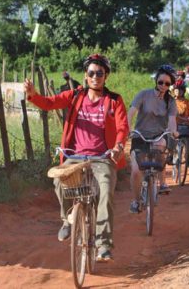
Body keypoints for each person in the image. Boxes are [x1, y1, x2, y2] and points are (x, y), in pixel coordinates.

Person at [24, 54, 129, 261]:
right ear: (86, 76)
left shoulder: (114, 100)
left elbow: (122, 127)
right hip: (75, 156)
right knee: (58, 181)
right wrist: (33, 94)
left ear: (106, 76)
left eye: (100, 73)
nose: (95, 77)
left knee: (105, 190)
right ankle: (66, 219)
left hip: (102, 158)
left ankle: (104, 245)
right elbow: (48, 103)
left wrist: (118, 146)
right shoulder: (75, 96)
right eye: (91, 73)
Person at [127, 64, 178, 214]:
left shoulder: (171, 101)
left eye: (167, 84)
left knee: (162, 145)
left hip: (158, 135)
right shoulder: (143, 95)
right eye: (160, 82)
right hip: (140, 136)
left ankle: (162, 182)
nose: (163, 86)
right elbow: (131, 113)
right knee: (136, 171)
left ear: (170, 85)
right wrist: (128, 130)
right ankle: (136, 201)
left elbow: (172, 120)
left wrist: (173, 131)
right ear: (156, 81)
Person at [172, 79, 189, 168]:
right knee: (170, 139)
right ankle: (171, 154)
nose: (178, 91)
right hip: (174, 126)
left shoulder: (188, 103)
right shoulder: (171, 102)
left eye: (180, 90)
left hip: (185, 128)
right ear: (173, 91)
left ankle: (187, 155)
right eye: (176, 90)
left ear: (183, 91)